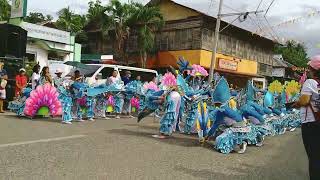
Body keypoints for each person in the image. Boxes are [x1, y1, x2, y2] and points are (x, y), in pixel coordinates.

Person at [293, 55, 320, 180]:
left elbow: (304, 101)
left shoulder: (310, 82)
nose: (307, 70)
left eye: (309, 68)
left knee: (314, 157)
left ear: (313, 69)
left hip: (311, 124)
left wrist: (295, 104)